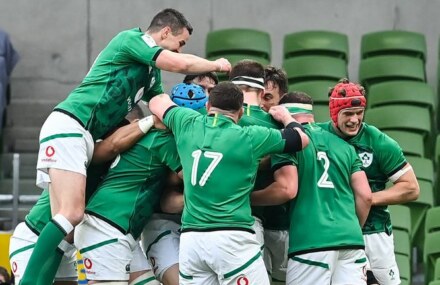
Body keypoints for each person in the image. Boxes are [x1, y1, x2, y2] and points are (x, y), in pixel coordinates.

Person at [21, 8, 232, 284]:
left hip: (84, 136)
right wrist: (215, 65)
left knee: (68, 228)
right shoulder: (130, 39)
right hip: (71, 123)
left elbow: (160, 106)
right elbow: (177, 64)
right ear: (165, 32)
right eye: (180, 43)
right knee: (71, 213)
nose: (180, 52)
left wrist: (189, 123)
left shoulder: (151, 74)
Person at [148, 81, 309, 285]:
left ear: (207, 107)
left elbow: (157, 100)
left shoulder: (187, 122)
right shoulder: (250, 137)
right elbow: (301, 139)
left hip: (192, 240)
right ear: (240, 113)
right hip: (231, 237)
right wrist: (287, 118)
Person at [9, 107, 153, 285]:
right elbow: (112, 144)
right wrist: (154, 120)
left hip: (68, 246)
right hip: (36, 239)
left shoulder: (133, 158)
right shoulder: (94, 145)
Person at [252, 91, 372, 284]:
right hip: (352, 242)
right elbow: (366, 196)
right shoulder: (345, 147)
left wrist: (247, 198)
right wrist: (351, 229)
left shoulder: (287, 144)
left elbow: (284, 189)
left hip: (311, 244)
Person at [316, 78, 420, 285]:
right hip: (330, 233)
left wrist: (367, 198)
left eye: (359, 113)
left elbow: (411, 188)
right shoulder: (317, 136)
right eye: (348, 114)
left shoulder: (378, 142)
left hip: (373, 232)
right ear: (334, 113)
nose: (355, 120)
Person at [141, 82, 209, 285]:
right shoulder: (163, 137)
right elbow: (167, 200)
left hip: (205, 226)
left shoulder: (218, 132)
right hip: (163, 223)